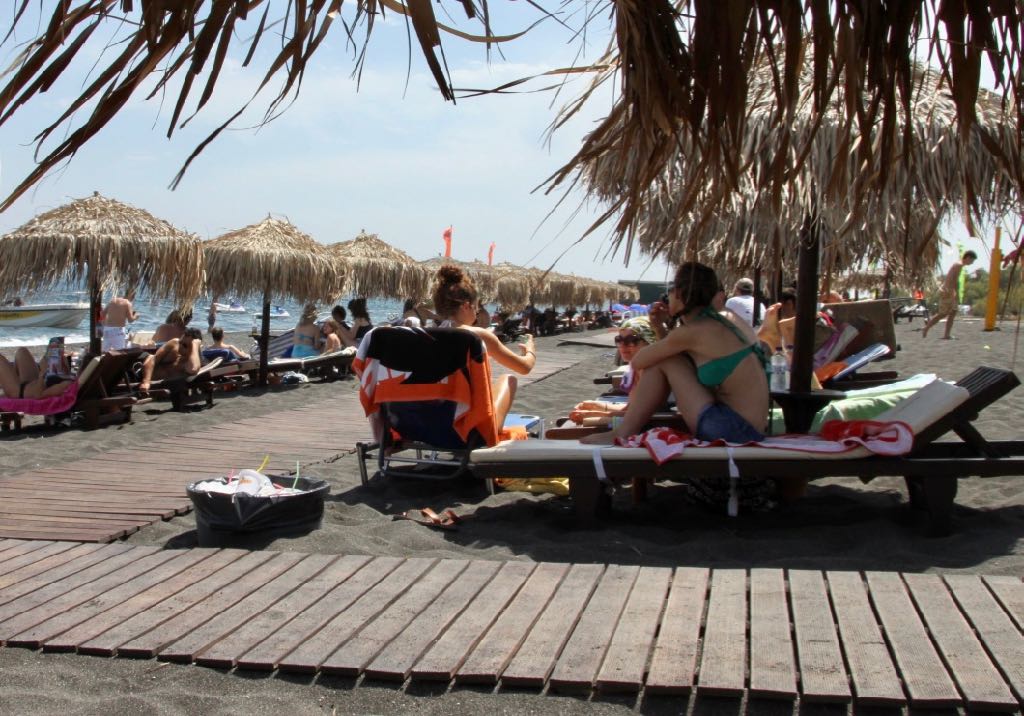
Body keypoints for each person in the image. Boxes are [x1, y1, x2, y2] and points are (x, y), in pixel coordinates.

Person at [582, 261, 769, 446]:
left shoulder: (692, 332)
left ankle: (623, 432)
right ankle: (630, 425)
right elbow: (681, 355)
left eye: (670, 291)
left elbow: (639, 361)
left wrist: (661, 327)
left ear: (679, 294)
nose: (667, 297)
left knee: (662, 362)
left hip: (731, 429)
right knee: (666, 359)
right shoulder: (728, 320)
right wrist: (658, 327)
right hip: (751, 428)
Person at [432, 265, 536, 427]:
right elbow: (524, 367)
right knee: (508, 379)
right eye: (477, 308)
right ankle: (490, 429)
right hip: (467, 429)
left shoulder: (425, 336)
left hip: (429, 424)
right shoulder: (477, 335)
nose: (476, 314)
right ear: (466, 306)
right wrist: (530, 350)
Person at [569, 316, 657, 425]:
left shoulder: (652, 372)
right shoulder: (637, 369)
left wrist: (592, 415)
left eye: (630, 340)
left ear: (649, 342)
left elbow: (640, 416)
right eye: (619, 340)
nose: (623, 346)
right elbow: (630, 408)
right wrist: (598, 406)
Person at [922, 250, 977, 339]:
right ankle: (927, 328)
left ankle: (946, 334)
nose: (972, 263)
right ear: (968, 258)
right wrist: (954, 293)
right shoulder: (958, 265)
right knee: (943, 314)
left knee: (952, 312)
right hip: (948, 291)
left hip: (948, 290)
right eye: (972, 260)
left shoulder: (958, 265)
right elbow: (953, 280)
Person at [138, 327, 203, 394]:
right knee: (149, 356)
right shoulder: (175, 344)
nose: (180, 346)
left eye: (185, 345)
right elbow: (152, 359)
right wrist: (146, 382)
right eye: (181, 342)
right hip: (141, 374)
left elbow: (193, 369)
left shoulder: (192, 361)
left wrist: (195, 344)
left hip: (161, 385)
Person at [0, 347, 75, 399]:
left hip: (18, 392)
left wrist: (42, 376)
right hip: (32, 381)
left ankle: (7, 381)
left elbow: (39, 396)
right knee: (22, 351)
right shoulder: (67, 376)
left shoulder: (65, 385)